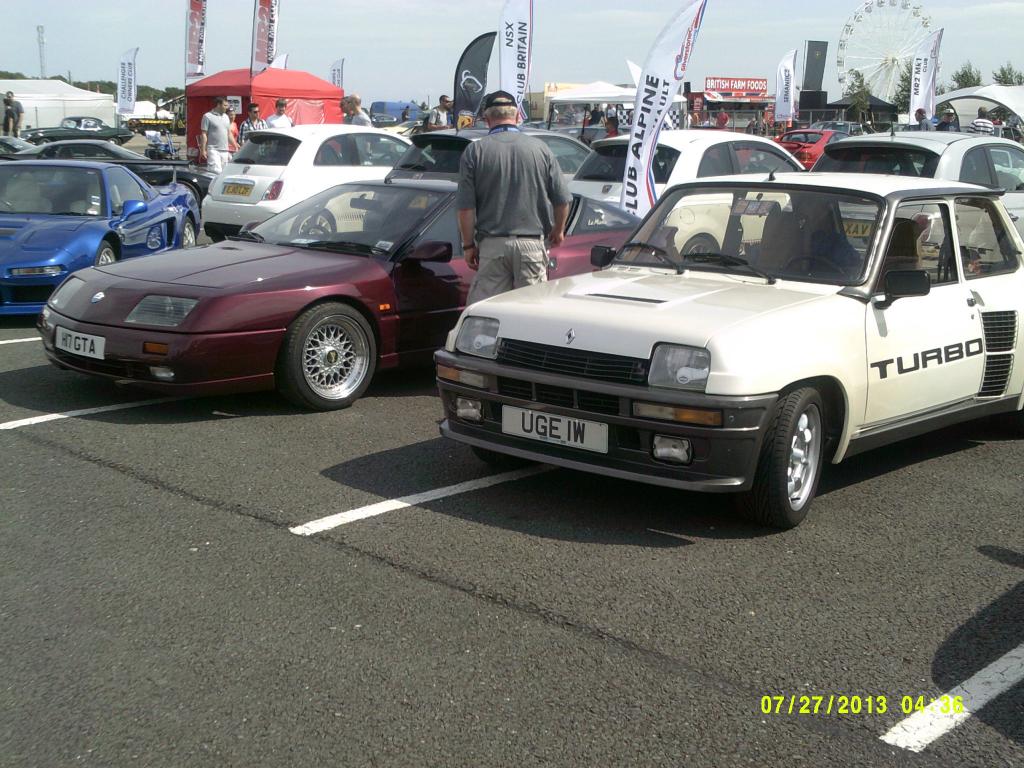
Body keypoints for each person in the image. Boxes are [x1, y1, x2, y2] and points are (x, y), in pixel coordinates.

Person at [456, 90, 572, 304]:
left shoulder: (475, 151)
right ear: (518, 116)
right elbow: (562, 200)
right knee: (532, 312)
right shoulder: (541, 149)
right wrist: (558, 230)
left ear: (486, 119)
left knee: (488, 311)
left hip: (493, 247)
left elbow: (466, 208)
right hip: (532, 245)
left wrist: (468, 245)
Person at [198, 96, 231, 174]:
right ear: (218, 105)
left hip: (225, 150)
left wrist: (235, 145)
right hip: (213, 150)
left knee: (224, 173)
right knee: (215, 172)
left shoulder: (226, 117)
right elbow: (204, 134)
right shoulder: (207, 116)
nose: (227, 107)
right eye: (225, 105)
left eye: (227, 105)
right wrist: (203, 150)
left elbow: (229, 133)